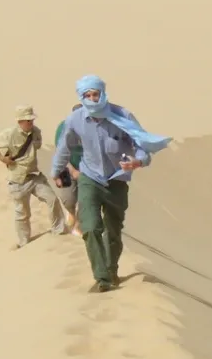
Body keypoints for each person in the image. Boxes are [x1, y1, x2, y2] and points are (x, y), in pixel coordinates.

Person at [51, 75, 171, 293]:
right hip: (90, 178)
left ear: (102, 94)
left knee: (113, 229)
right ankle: (102, 277)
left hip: (116, 179)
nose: (92, 99)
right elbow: (64, 147)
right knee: (90, 227)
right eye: (87, 95)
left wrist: (138, 161)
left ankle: (111, 268)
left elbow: (142, 143)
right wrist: (56, 170)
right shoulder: (75, 119)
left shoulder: (122, 115)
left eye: (95, 94)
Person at [0, 104, 66, 248]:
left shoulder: (36, 132)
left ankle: (59, 230)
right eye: (27, 120)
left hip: (34, 175)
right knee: (22, 213)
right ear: (19, 121)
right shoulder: (9, 134)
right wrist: (3, 158)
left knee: (52, 199)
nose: (30, 123)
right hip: (18, 180)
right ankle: (24, 242)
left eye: (31, 120)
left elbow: (37, 146)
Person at [53, 103, 86, 236]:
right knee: (68, 199)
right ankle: (71, 212)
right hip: (67, 166)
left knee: (87, 199)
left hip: (87, 169)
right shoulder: (63, 128)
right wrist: (72, 170)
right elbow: (60, 153)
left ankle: (78, 225)